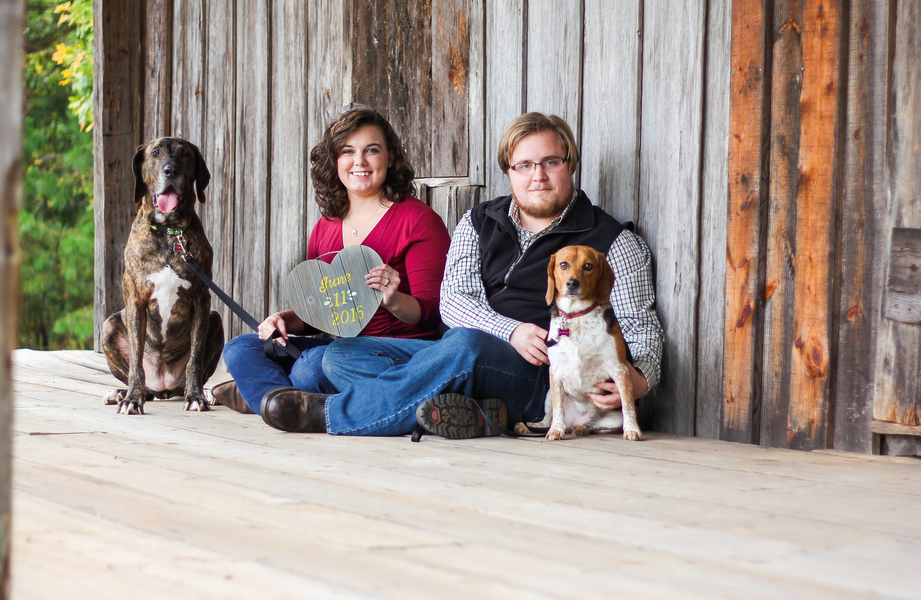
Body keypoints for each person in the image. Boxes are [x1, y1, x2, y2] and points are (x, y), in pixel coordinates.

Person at [258, 112, 663, 437]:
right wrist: (509, 331)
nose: (537, 176)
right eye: (524, 165)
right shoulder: (479, 221)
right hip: (462, 351)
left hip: (543, 373)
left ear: (569, 164)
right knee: (340, 356)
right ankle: (474, 410)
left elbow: (641, 327)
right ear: (509, 170)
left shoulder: (611, 241)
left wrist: (640, 379)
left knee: (465, 346)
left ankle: (332, 415)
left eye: (550, 162)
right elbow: (453, 302)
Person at [216, 106, 450, 414]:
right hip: (340, 349)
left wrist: (393, 300)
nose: (359, 162)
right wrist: (284, 320)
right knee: (240, 349)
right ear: (335, 160)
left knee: (311, 367)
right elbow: (322, 309)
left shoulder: (418, 220)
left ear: (390, 157)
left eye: (372, 150)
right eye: (347, 151)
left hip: (396, 352)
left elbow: (435, 314)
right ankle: (284, 405)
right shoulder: (325, 227)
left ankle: (276, 396)